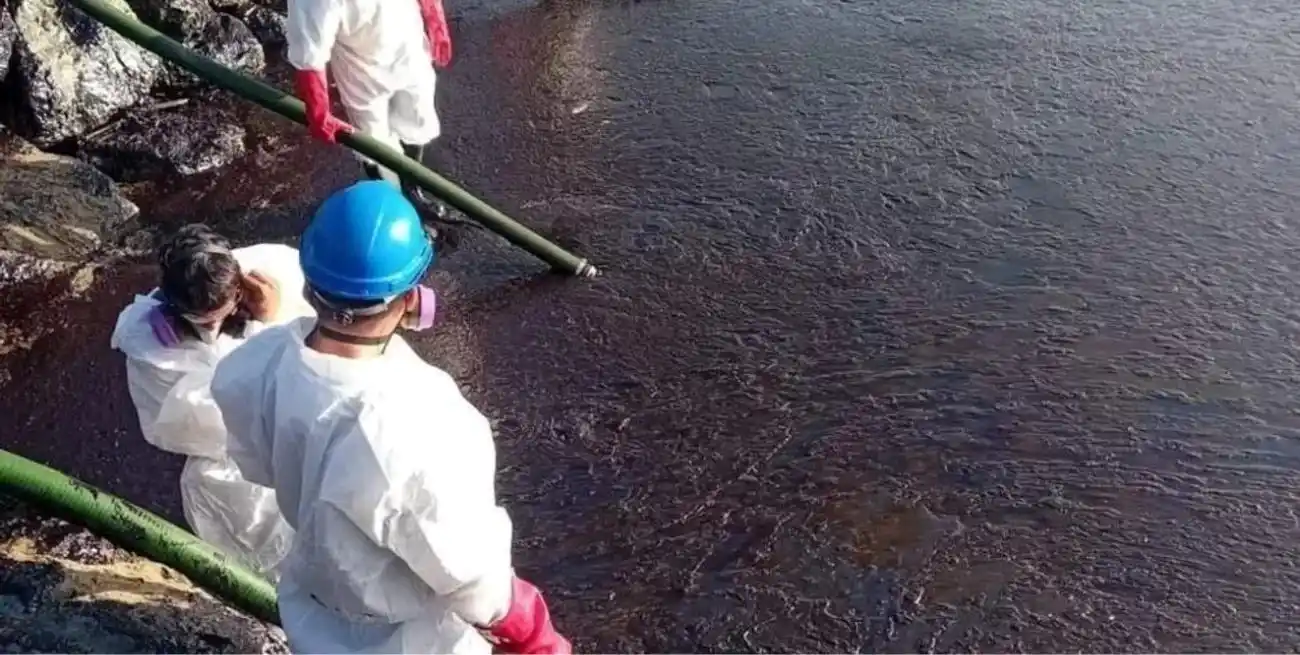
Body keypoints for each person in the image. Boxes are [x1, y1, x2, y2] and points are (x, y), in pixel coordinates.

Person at [210, 181, 571, 655]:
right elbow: (466, 570)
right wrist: (528, 627)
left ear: (310, 283)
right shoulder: (422, 419)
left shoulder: (253, 364)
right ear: (409, 299)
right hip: (408, 637)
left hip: (314, 605)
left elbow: (255, 465)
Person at [110, 224, 315, 579]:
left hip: (299, 434)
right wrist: (262, 330)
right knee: (249, 520)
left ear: (242, 286)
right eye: (201, 319)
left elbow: (320, 364)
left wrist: (272, 320)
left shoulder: (279, 268)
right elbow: (216, 421)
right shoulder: (151, 347)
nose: (214, 324)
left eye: (223, 310)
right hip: (234, 458)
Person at [287, 0, 452, 218]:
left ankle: (412, 189)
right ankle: (391, 204)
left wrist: (436, 23)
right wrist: (319, 113)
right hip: (361, 68)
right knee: (371, 141)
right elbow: (309, 55)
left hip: (409, 47)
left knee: (417, 118)